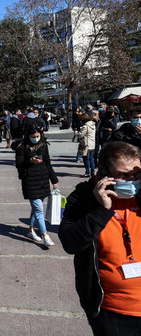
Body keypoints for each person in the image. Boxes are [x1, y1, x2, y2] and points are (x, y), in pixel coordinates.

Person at [59, 141, 141, 335]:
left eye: (137, 173)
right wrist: (101, 211)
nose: (132, 180)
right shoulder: (83, 198)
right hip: (111, 310)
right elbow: (70, 242)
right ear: (104, 173)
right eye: (124, 175)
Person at [15, 125, 58, 247]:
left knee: (36, 209)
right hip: (30, 181)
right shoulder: (22, 147)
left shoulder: (43, 145)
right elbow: (19, 163)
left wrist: (54, 180)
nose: (36, 139)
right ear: (28, 136)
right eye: (33, 137)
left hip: (43, 180)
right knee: (39, 209)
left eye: (38, 136)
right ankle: (45, 235)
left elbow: (48, 163)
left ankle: (30, 230)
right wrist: (30, 161)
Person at [77, 114, 96, 178]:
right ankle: (93, 172)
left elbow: (81, 135)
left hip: (87, 145)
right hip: (92, 144)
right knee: (91, 159)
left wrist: (76, 133)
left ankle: (87, 172)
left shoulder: (86, 126)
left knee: (86, 159)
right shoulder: (92, 124)